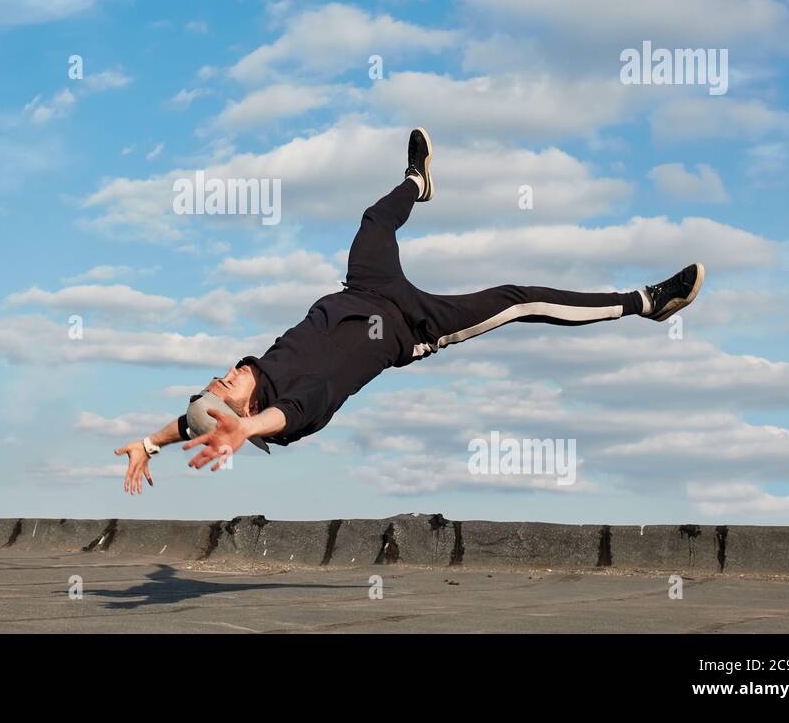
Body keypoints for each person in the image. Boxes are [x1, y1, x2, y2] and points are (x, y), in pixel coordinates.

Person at [115, 128, 704, 493]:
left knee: (374, 220)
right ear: (239, 412)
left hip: (366, 286)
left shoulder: (254, 376)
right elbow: (287, 418)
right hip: (411, 325)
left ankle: (416, 183)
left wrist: (150, 442)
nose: (223, 375)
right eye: (223, 391)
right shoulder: (297, 400)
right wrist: (245, 428)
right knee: (517, 299)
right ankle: (648, 303)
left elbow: (189, 417)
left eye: (216, 381)